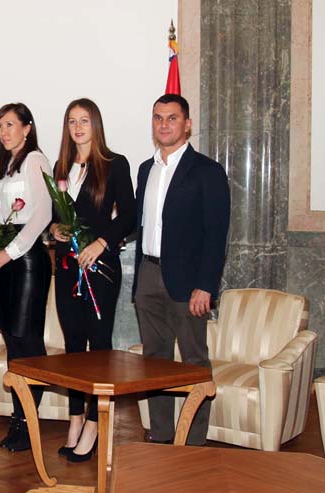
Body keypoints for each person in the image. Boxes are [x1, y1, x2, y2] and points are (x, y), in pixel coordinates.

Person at [133, 93, 230, 446]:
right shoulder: (146, 169)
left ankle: (193, 441)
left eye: (172, 118)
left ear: (187, 124)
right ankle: (161, 434)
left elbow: (216, 234)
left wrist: (206, 285)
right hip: (148, 275)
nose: (164, 124)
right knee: (154, 361)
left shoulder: (207, 171)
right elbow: (140, 223)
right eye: (158, 117)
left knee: (193, 361)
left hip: (189, 283)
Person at [49, 98, 135, 462]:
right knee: (73, 348)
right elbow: (56, 216)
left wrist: (101, 243)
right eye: (72, 121)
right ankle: (75, 420)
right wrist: (54, 229)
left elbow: (129, 216)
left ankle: (96, 425)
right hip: (68, 269)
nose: (78, 128)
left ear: (95, 125)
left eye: (84, 121)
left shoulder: (115, 164)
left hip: (101, 269)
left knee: (98, 348)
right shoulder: (60, 167)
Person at [0, 103, 52, 452]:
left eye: (10, 125)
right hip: (7, 260)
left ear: (27, 128)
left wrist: (9, 253)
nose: (4, 132)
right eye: (0, 126)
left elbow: (42, 214)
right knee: (13, 341)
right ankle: (19, 416)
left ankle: (28, 422)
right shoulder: (6, 166)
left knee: (28, 344)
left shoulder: (34, 160)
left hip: (27, 260)